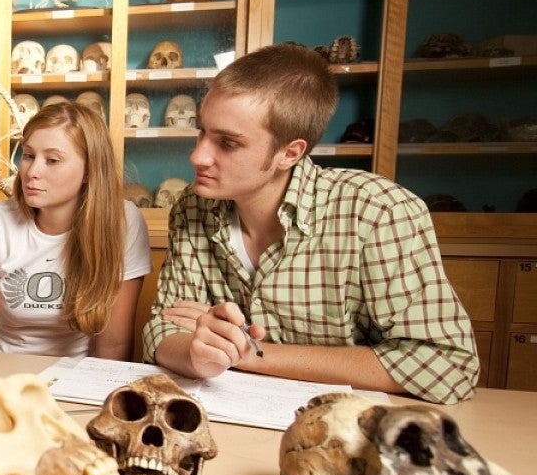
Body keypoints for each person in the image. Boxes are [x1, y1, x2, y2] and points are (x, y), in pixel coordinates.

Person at [142, 42, 479, 404]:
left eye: (227, 143)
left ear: (290, 153)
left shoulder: (378, 212)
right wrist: (197, 354)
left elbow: (447, 365)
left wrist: (248, 352)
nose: (198, 156)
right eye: (201, 132)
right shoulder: (192, 207)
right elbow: (163, 329)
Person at [0, 101, 151, 360]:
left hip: (78, 379)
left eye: (52, 160)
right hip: (2, 372)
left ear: (89, 171)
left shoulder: (124, 222)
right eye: (28, 155)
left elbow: (113, 347)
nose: (32, 172)